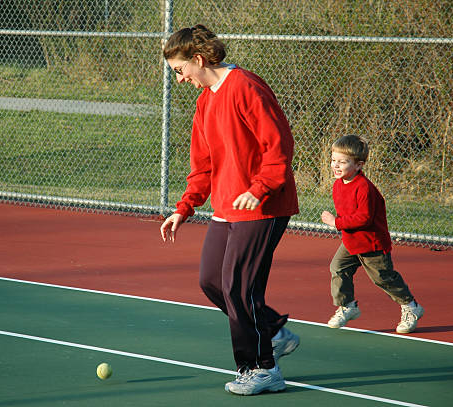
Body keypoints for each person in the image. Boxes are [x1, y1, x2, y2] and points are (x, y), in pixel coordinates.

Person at [160, 25, 300, 396]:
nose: (179, 78)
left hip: (263, 206)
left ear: (198, 60)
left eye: (179, 70)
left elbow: (279, 144)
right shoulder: (205, 101)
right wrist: (184, 207)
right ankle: (270, 330)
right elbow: (202, 165)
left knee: (239, 287)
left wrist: (261, 188)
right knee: (211, 281)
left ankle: (262, 368)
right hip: (227, 206)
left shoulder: (246, 86)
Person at [321, 135, 424, 333]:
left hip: (372, 244)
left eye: (342, 162)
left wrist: (336, 223)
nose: (336, 165)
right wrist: (341, 225)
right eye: (333, 160)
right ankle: (347, 306)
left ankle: (411, 307)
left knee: (383, 278)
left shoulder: (364, 187)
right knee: (338, 268)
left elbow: (364, 218)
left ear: (358, 165)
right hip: (352, 242)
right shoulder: (338, 185)